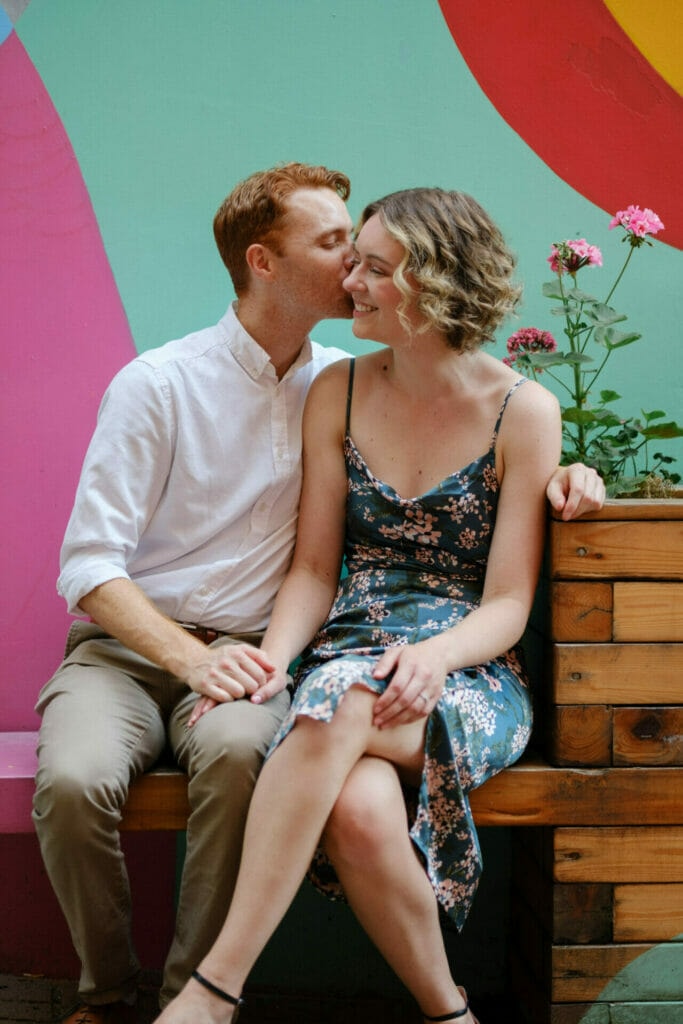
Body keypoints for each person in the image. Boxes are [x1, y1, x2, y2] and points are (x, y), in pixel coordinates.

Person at [32, 164, 602, 1024]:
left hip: (454, 664)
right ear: (263, 262)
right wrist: (269, 661)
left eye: (369, 262)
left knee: (310, 718)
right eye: (342, 250)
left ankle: (209, 991)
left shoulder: (516, 409)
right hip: (285, 654)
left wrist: (569, 479)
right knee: (356, 809)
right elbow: (306, 567)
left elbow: (507, 601)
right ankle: (447, 1014)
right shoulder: (310, 387)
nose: (351, 277)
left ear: (434, 280)